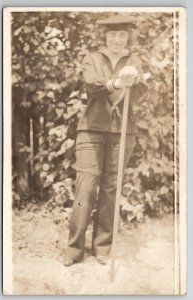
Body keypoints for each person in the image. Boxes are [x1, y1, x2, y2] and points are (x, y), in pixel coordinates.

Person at [63, 15, 148, 266]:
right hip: (91, 131)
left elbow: (138, 96)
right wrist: (116, 83)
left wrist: (137, 80)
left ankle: (102, 247)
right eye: (113, 35)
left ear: (127, 37)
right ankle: (74, 249)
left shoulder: (134, 61)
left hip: (123, 133)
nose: (117, 40)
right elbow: (92, 86)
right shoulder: (92, 59)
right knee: (85, 188)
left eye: (122, 35)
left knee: (111, 189)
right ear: (105, 37)